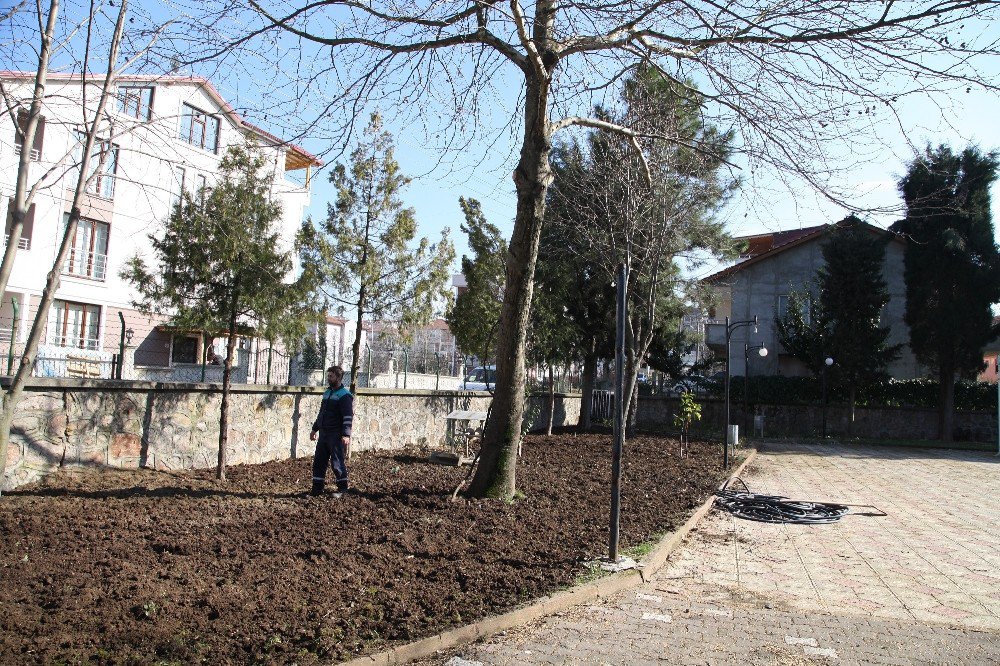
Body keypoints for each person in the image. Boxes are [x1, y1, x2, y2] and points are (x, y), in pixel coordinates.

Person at [309, 365, 354, 496]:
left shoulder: (345, 395)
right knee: (319, 461)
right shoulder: (327, 393)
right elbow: (322, 413)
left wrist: (346, 434)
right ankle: (317, 489)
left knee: (337, 462)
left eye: (331, 376)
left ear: (338, 377)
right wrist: (314, 429)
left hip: (336, 434)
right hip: (324, 433)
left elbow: (347, 416)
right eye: (328, 376)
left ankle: (343, 489)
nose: (328, 378)